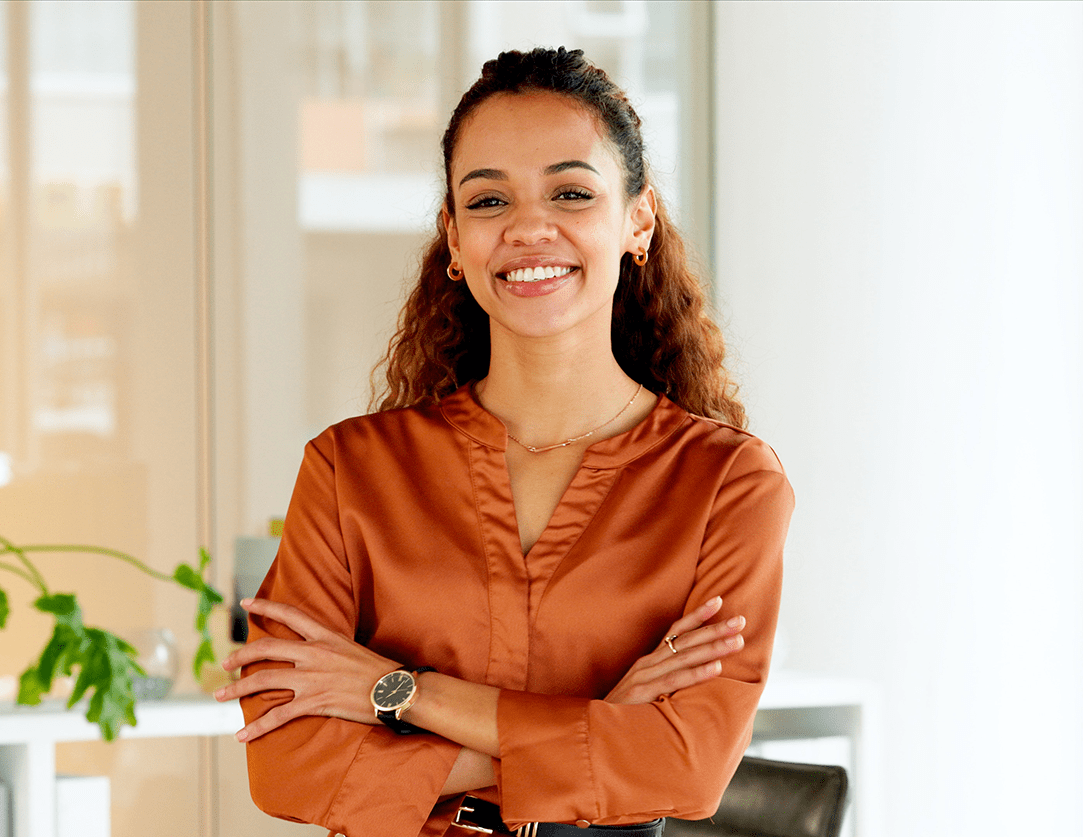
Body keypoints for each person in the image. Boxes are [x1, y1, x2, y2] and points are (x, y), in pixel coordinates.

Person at [215, 47, 793, 837]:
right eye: (488, 201)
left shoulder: (729, 483)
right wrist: (594, 728)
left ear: (638, 220)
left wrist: (400, 693)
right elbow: (285, 758)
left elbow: (686, 765)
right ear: (453, 238)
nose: (527, 226)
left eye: (571, 191)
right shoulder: (350, 469)